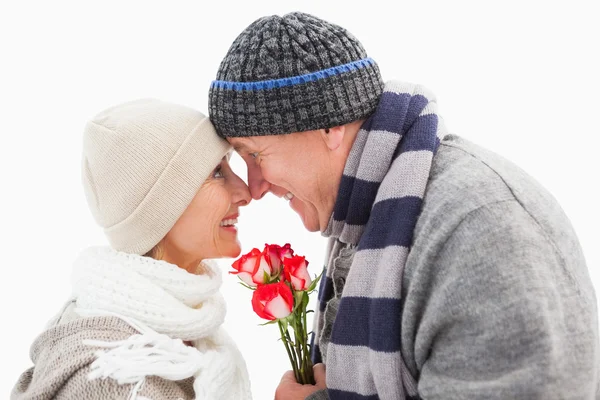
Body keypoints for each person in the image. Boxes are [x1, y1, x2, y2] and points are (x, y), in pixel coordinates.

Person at [209, 12, 600, 400]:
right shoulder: (380, 211)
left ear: (329, 127)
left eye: (256, 154)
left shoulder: (480, 229)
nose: (255, 187)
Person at [11, 99, 253, 399]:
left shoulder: (188, 329)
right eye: (217, 172)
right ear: (163, 206)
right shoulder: (114, 377)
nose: (245, 191)